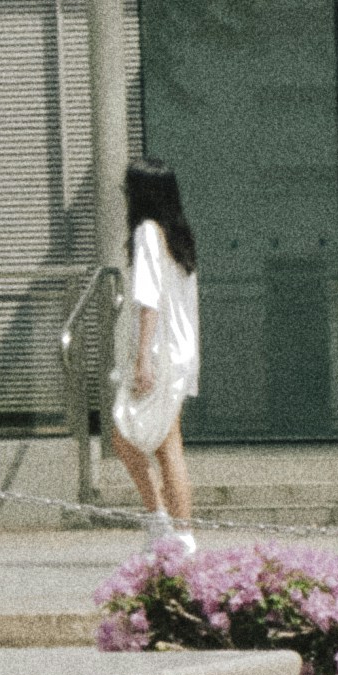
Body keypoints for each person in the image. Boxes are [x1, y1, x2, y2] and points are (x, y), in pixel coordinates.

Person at [110, 162, 200, 532]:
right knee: (167, 443)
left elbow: (149, 300)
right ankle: (171, 528)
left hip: (161, 353)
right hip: (181, 352)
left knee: (126, 437)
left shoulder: (147, 232)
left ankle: (167, 524)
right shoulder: (178, 237)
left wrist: (142, 359)